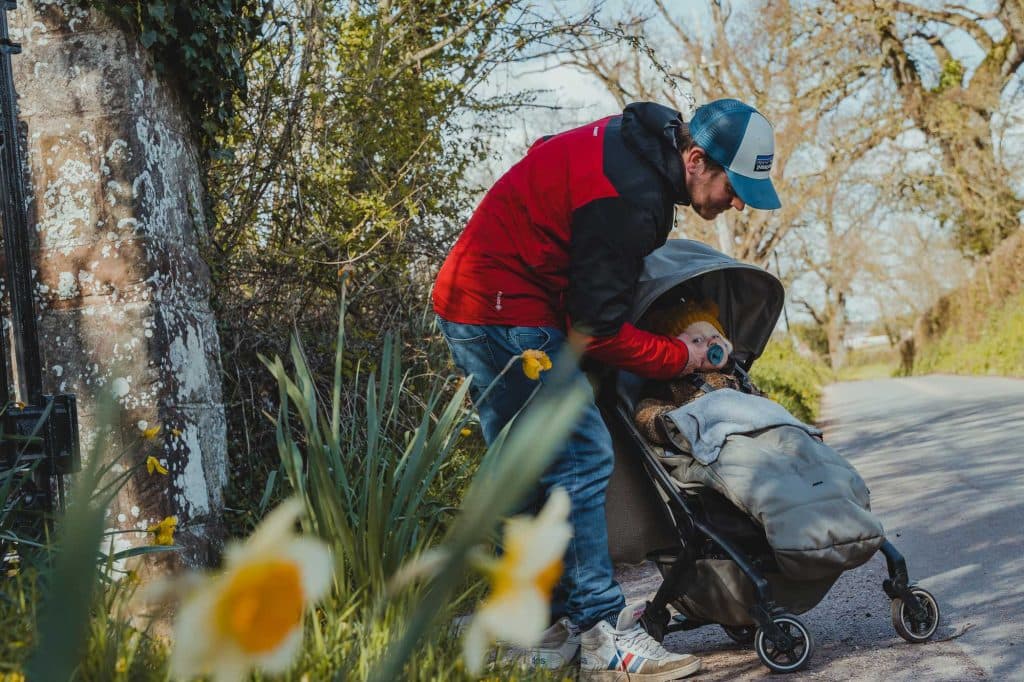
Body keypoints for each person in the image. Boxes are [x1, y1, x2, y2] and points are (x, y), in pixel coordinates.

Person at [433, 98, 781, 679]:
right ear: (696, 159)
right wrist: (681, 355)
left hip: (487, 298)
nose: (738, 201)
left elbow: (547, 157)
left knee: (528, 469)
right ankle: (601, 636)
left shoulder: (644, 144)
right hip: (499, 308)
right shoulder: (632, 199)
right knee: (581, 452)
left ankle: (533, 630)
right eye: (734, 186)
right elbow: (596, 332)